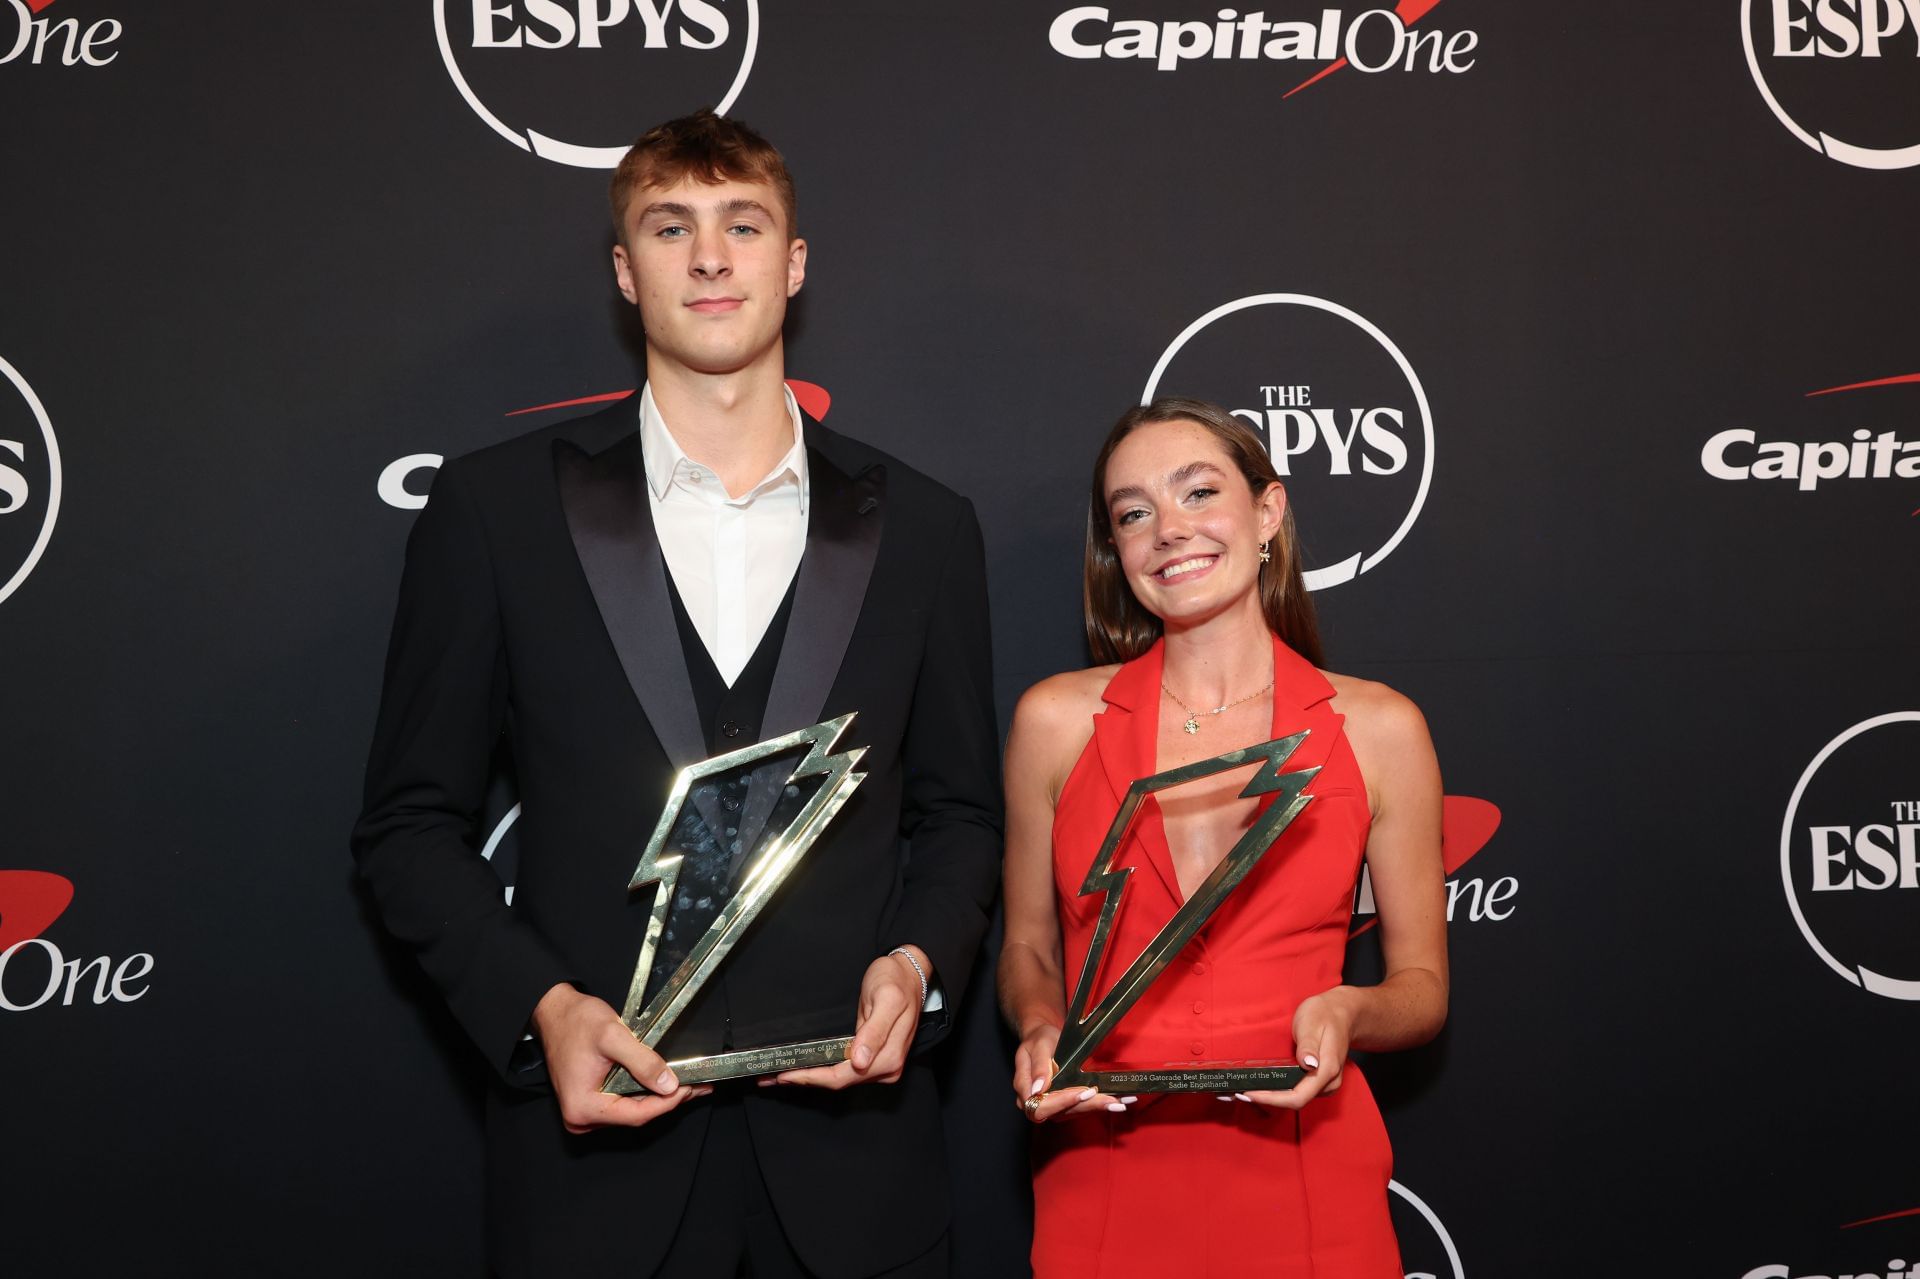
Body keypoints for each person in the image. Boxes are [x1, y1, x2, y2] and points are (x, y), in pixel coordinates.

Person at [352, 111, 1001, 1279]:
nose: (710, 257)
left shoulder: (928, 528)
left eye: (743, 225)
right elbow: (408, 826)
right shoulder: (494, 513)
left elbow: (960, 813)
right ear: (625, 269)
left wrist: (916, 963)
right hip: (597, 1191)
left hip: (861, 1188)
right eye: (671, 226)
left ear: (792, 265)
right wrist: (541, 1008)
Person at [997, 397, 1448, 1277]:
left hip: (1309, 1172)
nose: (1169, 530)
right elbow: (1025, 947)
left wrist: (1350, 1010)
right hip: (1107, 1172)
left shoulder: (1379, 727)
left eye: (1198, 493)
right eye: (1134, 513)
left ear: (1267, 512)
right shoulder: (1055, 722)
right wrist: (1043, 1023)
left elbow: (1423, 988)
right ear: (1116, 551)